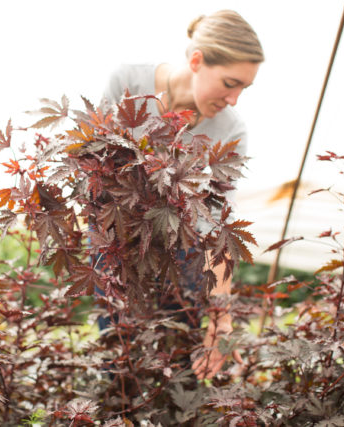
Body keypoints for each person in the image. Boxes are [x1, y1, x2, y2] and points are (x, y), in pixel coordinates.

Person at [101, 9, 264, 380]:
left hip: (182, 258)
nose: (235, 99)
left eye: (244, 88)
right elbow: (89, 163)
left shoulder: (230, 130)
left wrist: (221, 317)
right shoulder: (127, 81)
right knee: (118, 368)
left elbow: (221, 223)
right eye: (230, 82)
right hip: (116, 248)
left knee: (179, 373)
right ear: (196, 60)